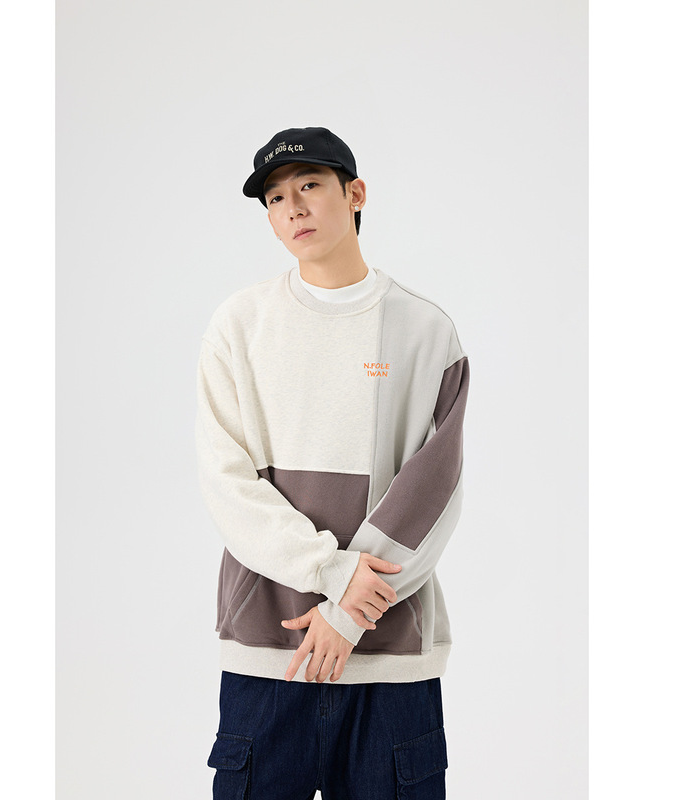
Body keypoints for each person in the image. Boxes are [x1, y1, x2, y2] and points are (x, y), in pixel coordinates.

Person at [195, 126, 470, 799]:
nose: (292, 207)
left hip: (388, 665)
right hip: (269, 656)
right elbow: (227, 482)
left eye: (310, 185)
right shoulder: (239, 324)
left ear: (355, 194)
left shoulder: (425, 330)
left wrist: (347, 612)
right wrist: (333, 572)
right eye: (275, 198)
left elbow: (435, 489)